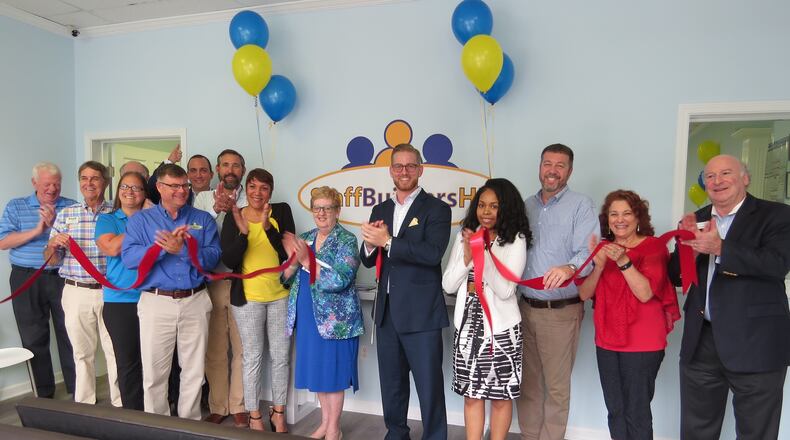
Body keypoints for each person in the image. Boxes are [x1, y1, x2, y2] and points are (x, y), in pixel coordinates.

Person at [669, 154, 790, 440]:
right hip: (702, 341)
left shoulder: (778, 215)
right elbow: (676, 276)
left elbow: (778, 263)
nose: (717, 181)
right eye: (710, 176)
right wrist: (692, 251)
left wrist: (722, 249)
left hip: (757, 342)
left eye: (726, 173)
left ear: (745, 178)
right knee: (696, 429)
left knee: (756, 431)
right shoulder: (696, 219)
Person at [360, 143, 451, 440]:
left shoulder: (437, 209)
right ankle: (396, 434)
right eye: (398, 166)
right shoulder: (381, 209)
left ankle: (435, 436)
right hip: (386, 313)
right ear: (390, 170)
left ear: (420, 170)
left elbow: (432, 253)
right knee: (392, 384)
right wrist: (371, 245)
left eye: (411, 166)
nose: (404, 171)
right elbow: (368, 257)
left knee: (429, 386)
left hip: (421, 314)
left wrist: (387, 242)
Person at [121, 163, 221, 420]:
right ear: (159, 187)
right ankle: (157, 427)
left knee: (194, 371)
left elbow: (213, 258)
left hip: (195, 300)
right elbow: (130, 258)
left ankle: (190, 425)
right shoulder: (141, 221)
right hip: (156, 302)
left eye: (184, 185)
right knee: (155, 374)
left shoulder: (202, 219)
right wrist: (163, 247)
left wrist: (183, 250)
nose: (182, 191)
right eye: (174, 186)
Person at [578, 190, 679, 440]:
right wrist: (599, 265)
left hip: (643, 343)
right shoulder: (602, 248)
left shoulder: (654, 247)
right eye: (614, 214)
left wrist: (623, 261)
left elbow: (645, 293)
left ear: (638, 217)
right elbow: (583, 293)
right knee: (615, 410)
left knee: (637, 410)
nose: (619, 219)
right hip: (607, 340)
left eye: (627, 213)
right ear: (607, 219)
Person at [516, 143, 599, 440]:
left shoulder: (581, 205)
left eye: (560, 165)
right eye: (547, 163)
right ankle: (528, 436)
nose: (552, 170)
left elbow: (589, 254)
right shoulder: (526, 205)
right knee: (528, 384)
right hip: (524, 309)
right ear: (539, 167)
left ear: (570, 171)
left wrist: (569, 268)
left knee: (555, 388)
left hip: (561, 312)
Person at [442, 178, 530, 440]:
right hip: (468, 326)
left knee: (501, 398)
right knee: (472, 395)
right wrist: (468, 256)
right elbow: (448, 284)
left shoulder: (515, 239)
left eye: (494, 206)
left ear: (506, 208)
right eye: (482, 205)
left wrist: (484, 253)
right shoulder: (465, 235)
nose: (486, 212)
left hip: (502, 330)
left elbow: (505, 290)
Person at [282, 186, 363, 440]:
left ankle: (333, 429)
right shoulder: (304, 237)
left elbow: (341, 279)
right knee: (319, 373)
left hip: (335, 322)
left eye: (328, 208)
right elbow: (284, 279)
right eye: (317, 207)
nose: (322, 212)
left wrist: (306, 261)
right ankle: (325, 424)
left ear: (337, 211)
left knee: (333, 376)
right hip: (307, 318)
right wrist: (293, 262)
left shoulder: (347, 240)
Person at [220, 168, 295, 432]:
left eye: (263, 188)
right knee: (252, 358)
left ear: (270, 192)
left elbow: (288, 255)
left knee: (281, 357)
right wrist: (243, 234)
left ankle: (278, 413)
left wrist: (267, 228)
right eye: (252, 187)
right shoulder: (235, 216)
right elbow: (229, 260)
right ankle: (254, 416)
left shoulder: (282, 212)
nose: (257, 193)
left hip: (280, 297)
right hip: (248, 298)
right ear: (246, 189)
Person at [44, 161, 121, 407]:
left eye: (95, 178)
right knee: (81, 352)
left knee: (115, 351)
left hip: (112, 292)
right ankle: (84, 403)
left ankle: (121, 403)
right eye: (84, 178)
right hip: (76, 291)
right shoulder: (66, 214)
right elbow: (50, 260)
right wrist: (53, 244)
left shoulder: (116, 213)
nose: (89, 183)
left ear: (105, 183)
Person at [0, 162, 77, 398]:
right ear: (34, 183)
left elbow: (80, 244)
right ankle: (44, 395)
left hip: (63, 277)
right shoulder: (16, 206)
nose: (52, 189)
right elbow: (3, 242)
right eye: (46, 184)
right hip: (26, 277)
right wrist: (37, 230)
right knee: (33, 337)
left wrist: (54, 226)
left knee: (71, 334)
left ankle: (78, 392)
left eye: (57, 183)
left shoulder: (71, 207)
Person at [193, 149, 248, 427]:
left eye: (236, 165)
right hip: (211, 284)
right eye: (225, 165)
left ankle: (239, 405)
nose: (230, 169)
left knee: (242, 349)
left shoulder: (253, 197)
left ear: (243, 170)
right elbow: (197, 234)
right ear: (217, 169)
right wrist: (216, 210)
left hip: (242, 284)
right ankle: (218, 405)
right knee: (214, 349)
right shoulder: (202, 198)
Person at [94, 171, 148, 410]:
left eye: (136, 188)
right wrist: (142, 223)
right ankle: (133, 416)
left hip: (151, 299)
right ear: (117, 191)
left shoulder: (154, 218)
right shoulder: (108, 219)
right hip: (120, 302)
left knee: (154, 362)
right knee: (128, 362)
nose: (129, 191)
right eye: (125, 186)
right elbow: (112, 248)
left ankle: (158, 413)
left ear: (144, 193)